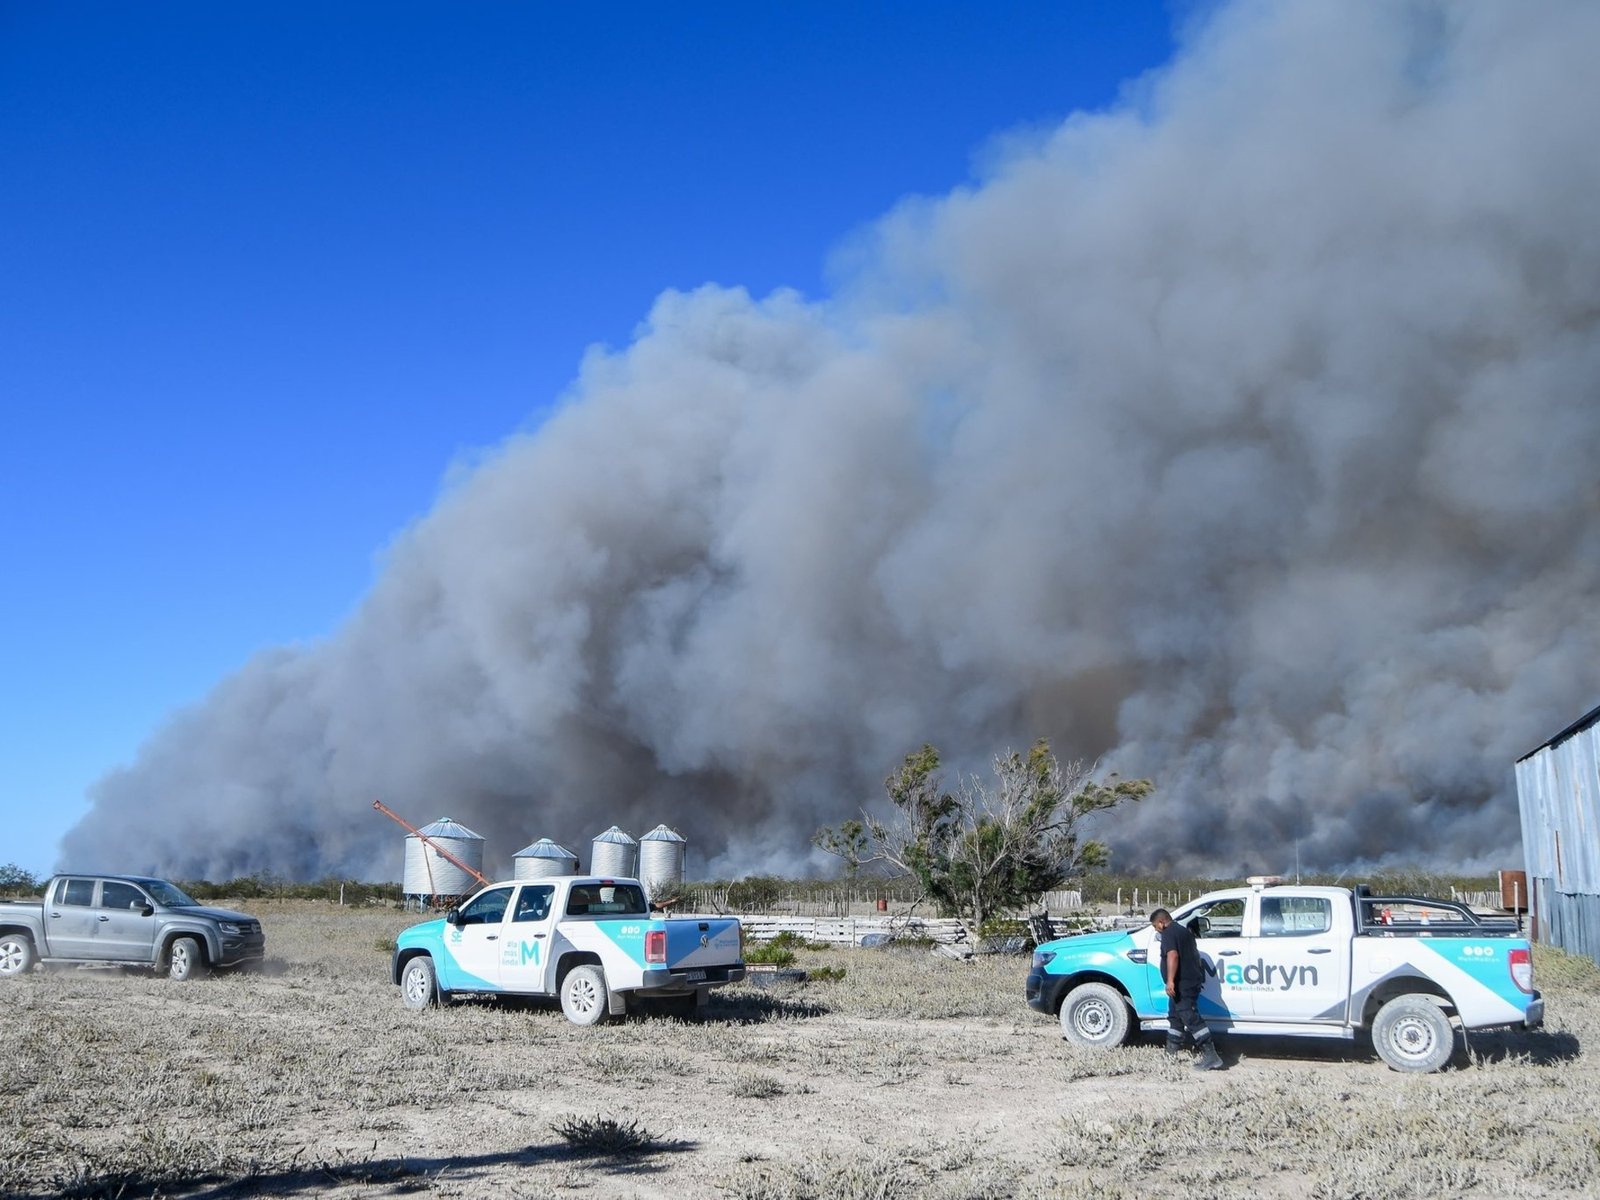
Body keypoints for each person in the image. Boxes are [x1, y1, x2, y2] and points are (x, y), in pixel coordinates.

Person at [1150, 908, 1225, 1071]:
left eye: (1155, 926)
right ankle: (1170, 1054)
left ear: (1162, 922)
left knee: (1190, 1017)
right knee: (1175, 1018)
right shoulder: (1184, 931)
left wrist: (1170, 980)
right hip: (1184, 983)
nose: (1156, 930)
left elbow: (1173, 955)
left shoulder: (1169, 933)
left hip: (1181, 984)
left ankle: (1212, 1056)